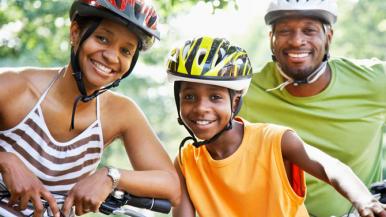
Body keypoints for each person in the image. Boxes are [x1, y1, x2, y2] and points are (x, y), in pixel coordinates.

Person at [165, 36, 386, 217]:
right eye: (190, 97)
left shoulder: (274, 140)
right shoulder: (186, 160)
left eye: (215, 97)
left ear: (235, 102)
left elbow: (332, 167)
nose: (201, 108)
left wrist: (363, 199)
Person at [0, 0, 180, 217]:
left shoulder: (121, 113)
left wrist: (111, 176)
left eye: (125, 51)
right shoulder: (12, 87)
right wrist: (6, 161)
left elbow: (171, 186)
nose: (112, 57)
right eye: (102, 38)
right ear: (75, 33)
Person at [239, 0, 386, 216]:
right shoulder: (242, 92)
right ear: (271, 39)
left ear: (328, 38)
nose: (297, 41)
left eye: (309, 30)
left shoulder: (374, 82)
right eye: (285, 31)